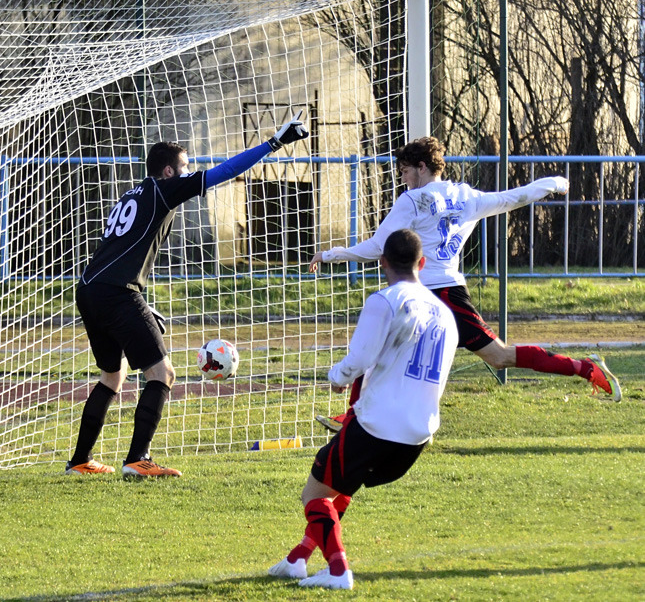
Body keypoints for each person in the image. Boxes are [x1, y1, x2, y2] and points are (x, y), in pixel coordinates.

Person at [311, 136, 621, 433]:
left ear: (421, 167)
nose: (403, 179)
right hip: (449, 292)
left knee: (494, 356)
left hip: (428, 294)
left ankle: (585, 367)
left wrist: (330, 254)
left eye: (405, 171)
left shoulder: (413, 200)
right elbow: (513, 198)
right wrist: (553, 183)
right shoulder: (467, 197)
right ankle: (353, 418)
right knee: (392, 345)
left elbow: (378, 246)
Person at [66, 112, 308, 478]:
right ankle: (137, 460)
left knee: (112, 376)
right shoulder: (165, 189)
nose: (189, 172)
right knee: (162, 373)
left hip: (90, 289)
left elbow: (120, 252)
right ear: (169, 171)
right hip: (116, 293)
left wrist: (139, 304)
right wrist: (274, 143)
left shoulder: (132, 195)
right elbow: (226, 171)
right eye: (185, 167)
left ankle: (80, 461)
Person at [269, 229, 458, 590]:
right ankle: (297, 559)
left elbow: (360, 358)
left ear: (382, 262)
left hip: (378, 424)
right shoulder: (446, 315)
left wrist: (337, 376)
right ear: (422, 263)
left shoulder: (385, 300)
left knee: (314, 495)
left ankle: (338, 570)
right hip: (419, 433)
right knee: (340, 487)